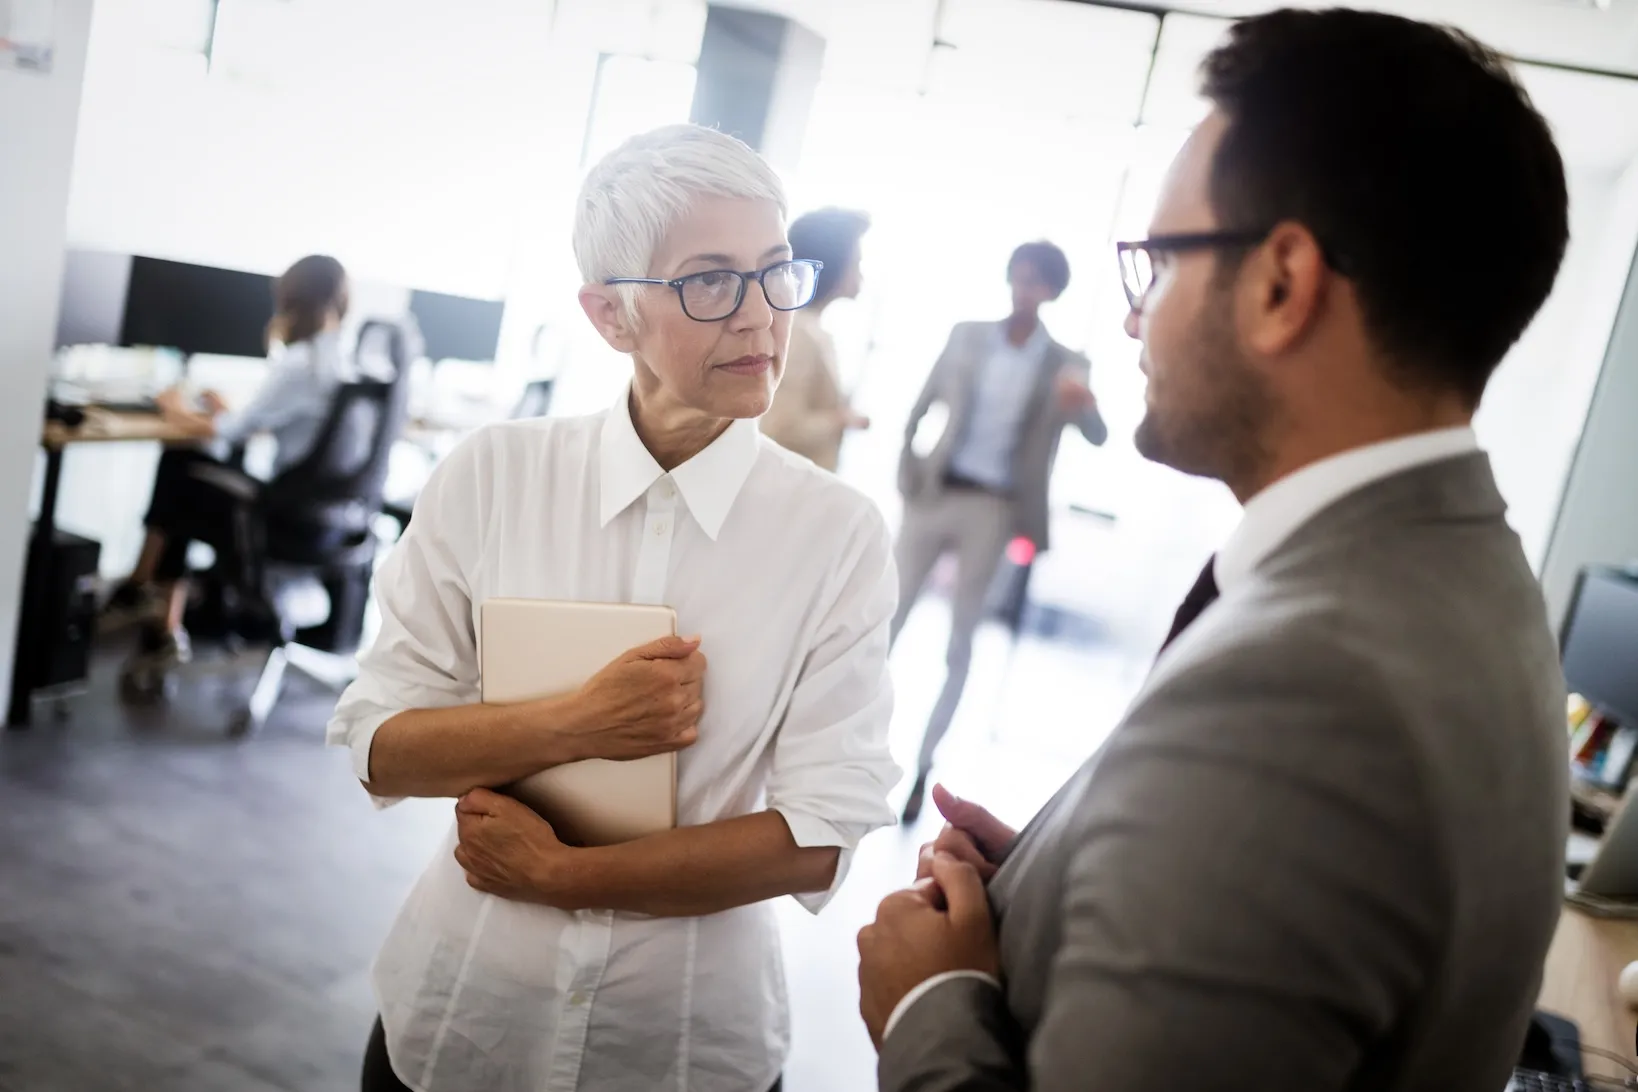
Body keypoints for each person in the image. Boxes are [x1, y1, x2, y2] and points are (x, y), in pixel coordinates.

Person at [855, 9, 1572, 1089]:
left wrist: (929, 1001)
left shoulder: (1300, 694)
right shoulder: (1472, 575)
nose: (1136, 320)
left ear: (1281, 286)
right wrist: (1072, 882)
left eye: (1156, 262)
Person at [327, 124, 900, 1092]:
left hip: (682, 1045)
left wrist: (564, 878)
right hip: (463, 1022)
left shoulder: (834, 533)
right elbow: (379, 743)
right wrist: (576, 723)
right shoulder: (494, 475)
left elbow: (817, 836)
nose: (762, 319)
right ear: (609, 316)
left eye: (775, 272)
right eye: (711, 282)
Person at [891, 240, 1107, 822]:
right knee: (885, 619)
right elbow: (920, 407)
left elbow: (1097, 433)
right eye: (1021, 276)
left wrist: (1083, 406)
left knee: (960, 643)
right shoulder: (967, 334)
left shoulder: (1067, 362)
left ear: (1053, 291)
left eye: (1038, 281)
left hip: (994, 509)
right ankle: (844, 746)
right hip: (936, 493)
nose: (1025, 288)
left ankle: (923, 767)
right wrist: (908, 472)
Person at [104, 254, 354, 677]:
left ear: (291, 298)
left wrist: (174, 408)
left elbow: (230, 432)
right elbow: (256, 424)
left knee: (183, 468)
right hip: (329, 520)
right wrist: (225, 415)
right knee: (195, 472)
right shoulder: (345, 363)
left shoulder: (300, 363)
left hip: (282, 519)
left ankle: (143, 591)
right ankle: (153, 608)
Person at [758, 206, 872, 470]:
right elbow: (780, 428)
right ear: (834, 262)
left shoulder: (814, 330)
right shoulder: (798, 333)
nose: (861, 276)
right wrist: (840, 420)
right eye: (856, 264)